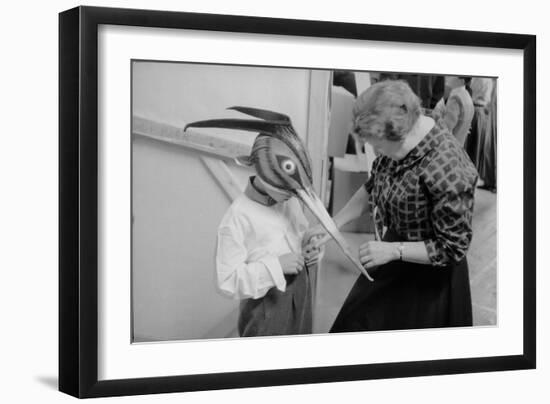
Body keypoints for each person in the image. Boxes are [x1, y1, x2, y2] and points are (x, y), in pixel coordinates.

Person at [307, 80, 478, 332]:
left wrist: (394, 250)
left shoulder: (448, 169)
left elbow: (452, 248)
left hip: (429, 279)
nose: (376, 151)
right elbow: (373, 186)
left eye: (377, 145)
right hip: (394, 253)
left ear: (400, 133)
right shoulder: (402, 139)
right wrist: (332, 225)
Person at [216, 162, 322, 337]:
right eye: (285, 189)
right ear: (264, 173)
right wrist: (276, 267)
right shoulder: (238, 217)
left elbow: (299, 233)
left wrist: (307, 247)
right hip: (266, 307)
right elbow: (227, 280)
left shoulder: (288, 198)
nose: (290, 195)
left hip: (301, 293)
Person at [432, 76, 475, 146]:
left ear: (461, 80)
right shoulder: (467, 96)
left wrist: (437, 111)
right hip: (459, 146)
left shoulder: (455, 97)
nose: (447, 77)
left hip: (450, 147)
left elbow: (445, 128)